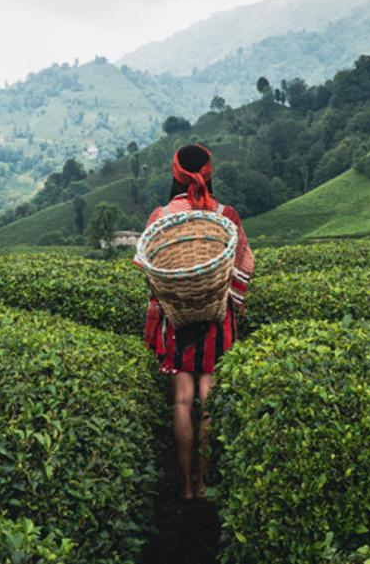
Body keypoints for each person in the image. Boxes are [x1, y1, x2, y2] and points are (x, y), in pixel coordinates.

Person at [142, 143, 254, 501]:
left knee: (182, 399)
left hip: (176, 320)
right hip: (216, 318)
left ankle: (186, 488)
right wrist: (231, 300)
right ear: (210, 173)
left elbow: (150, 268)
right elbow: (244, 264)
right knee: (208, 397)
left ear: (174, 175)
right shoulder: (226, 214)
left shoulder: (160, 216)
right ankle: (205, 483)